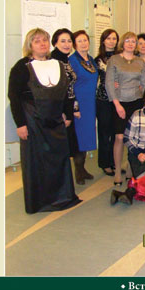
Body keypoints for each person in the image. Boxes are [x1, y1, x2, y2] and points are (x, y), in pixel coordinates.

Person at [8, 28, 81, 213]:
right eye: (37, 41)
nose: (42, 44)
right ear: (30, 45)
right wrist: (20, 124)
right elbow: (14, 97)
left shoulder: (57, 64)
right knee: (36, 162)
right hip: (32, 122)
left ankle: (62, 197)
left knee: (59, 159)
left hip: (56, 121)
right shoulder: (21, 67)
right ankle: (39, 202)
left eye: (45, 40)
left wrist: (66, 114)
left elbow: (65, 93)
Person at [106, 31, 145, 186]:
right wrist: (117, 104)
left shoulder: (140, 61)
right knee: (119, 137)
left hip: (136, 102)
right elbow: (109, 83)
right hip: (120, 102)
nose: (131, 44)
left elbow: (144, 83)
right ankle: (117, 171)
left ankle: (130, 167)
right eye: (128, 41)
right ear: (122, 43)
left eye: (133, 41)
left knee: (133, 138)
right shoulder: (114, 60)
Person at [68, 30, 98, 184]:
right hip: (79, 104)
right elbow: (70, 86)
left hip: (90, 104)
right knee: (79, 138)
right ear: (74, 44)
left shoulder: (91, 60)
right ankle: (78, 170)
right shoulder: (72, 61)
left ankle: (83, 168)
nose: (83, 43)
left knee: (86, 137)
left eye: (85, 40)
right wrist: (75, 107)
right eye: (79, 41)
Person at [49, 28, 81, 161]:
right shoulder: (52, 61)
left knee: (68, 147)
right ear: (55, 43)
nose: (67, 44)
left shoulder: (66, 60)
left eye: (69, 41)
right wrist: (62, 112)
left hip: (68, 107)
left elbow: (70, 88)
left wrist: (74, 108)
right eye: (63, 41)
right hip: (58, 110)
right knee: (59, 148)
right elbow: (53, 91)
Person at [94, 28, 119, 176]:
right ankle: (104, 163)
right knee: (104, 133)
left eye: (114, 38)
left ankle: (114, 161)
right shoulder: (98, 60)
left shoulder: (121, 58)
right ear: (103, 41)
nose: (111, 41)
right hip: (103, 100)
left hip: (118, 100)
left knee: (116, 133)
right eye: (108, 38)